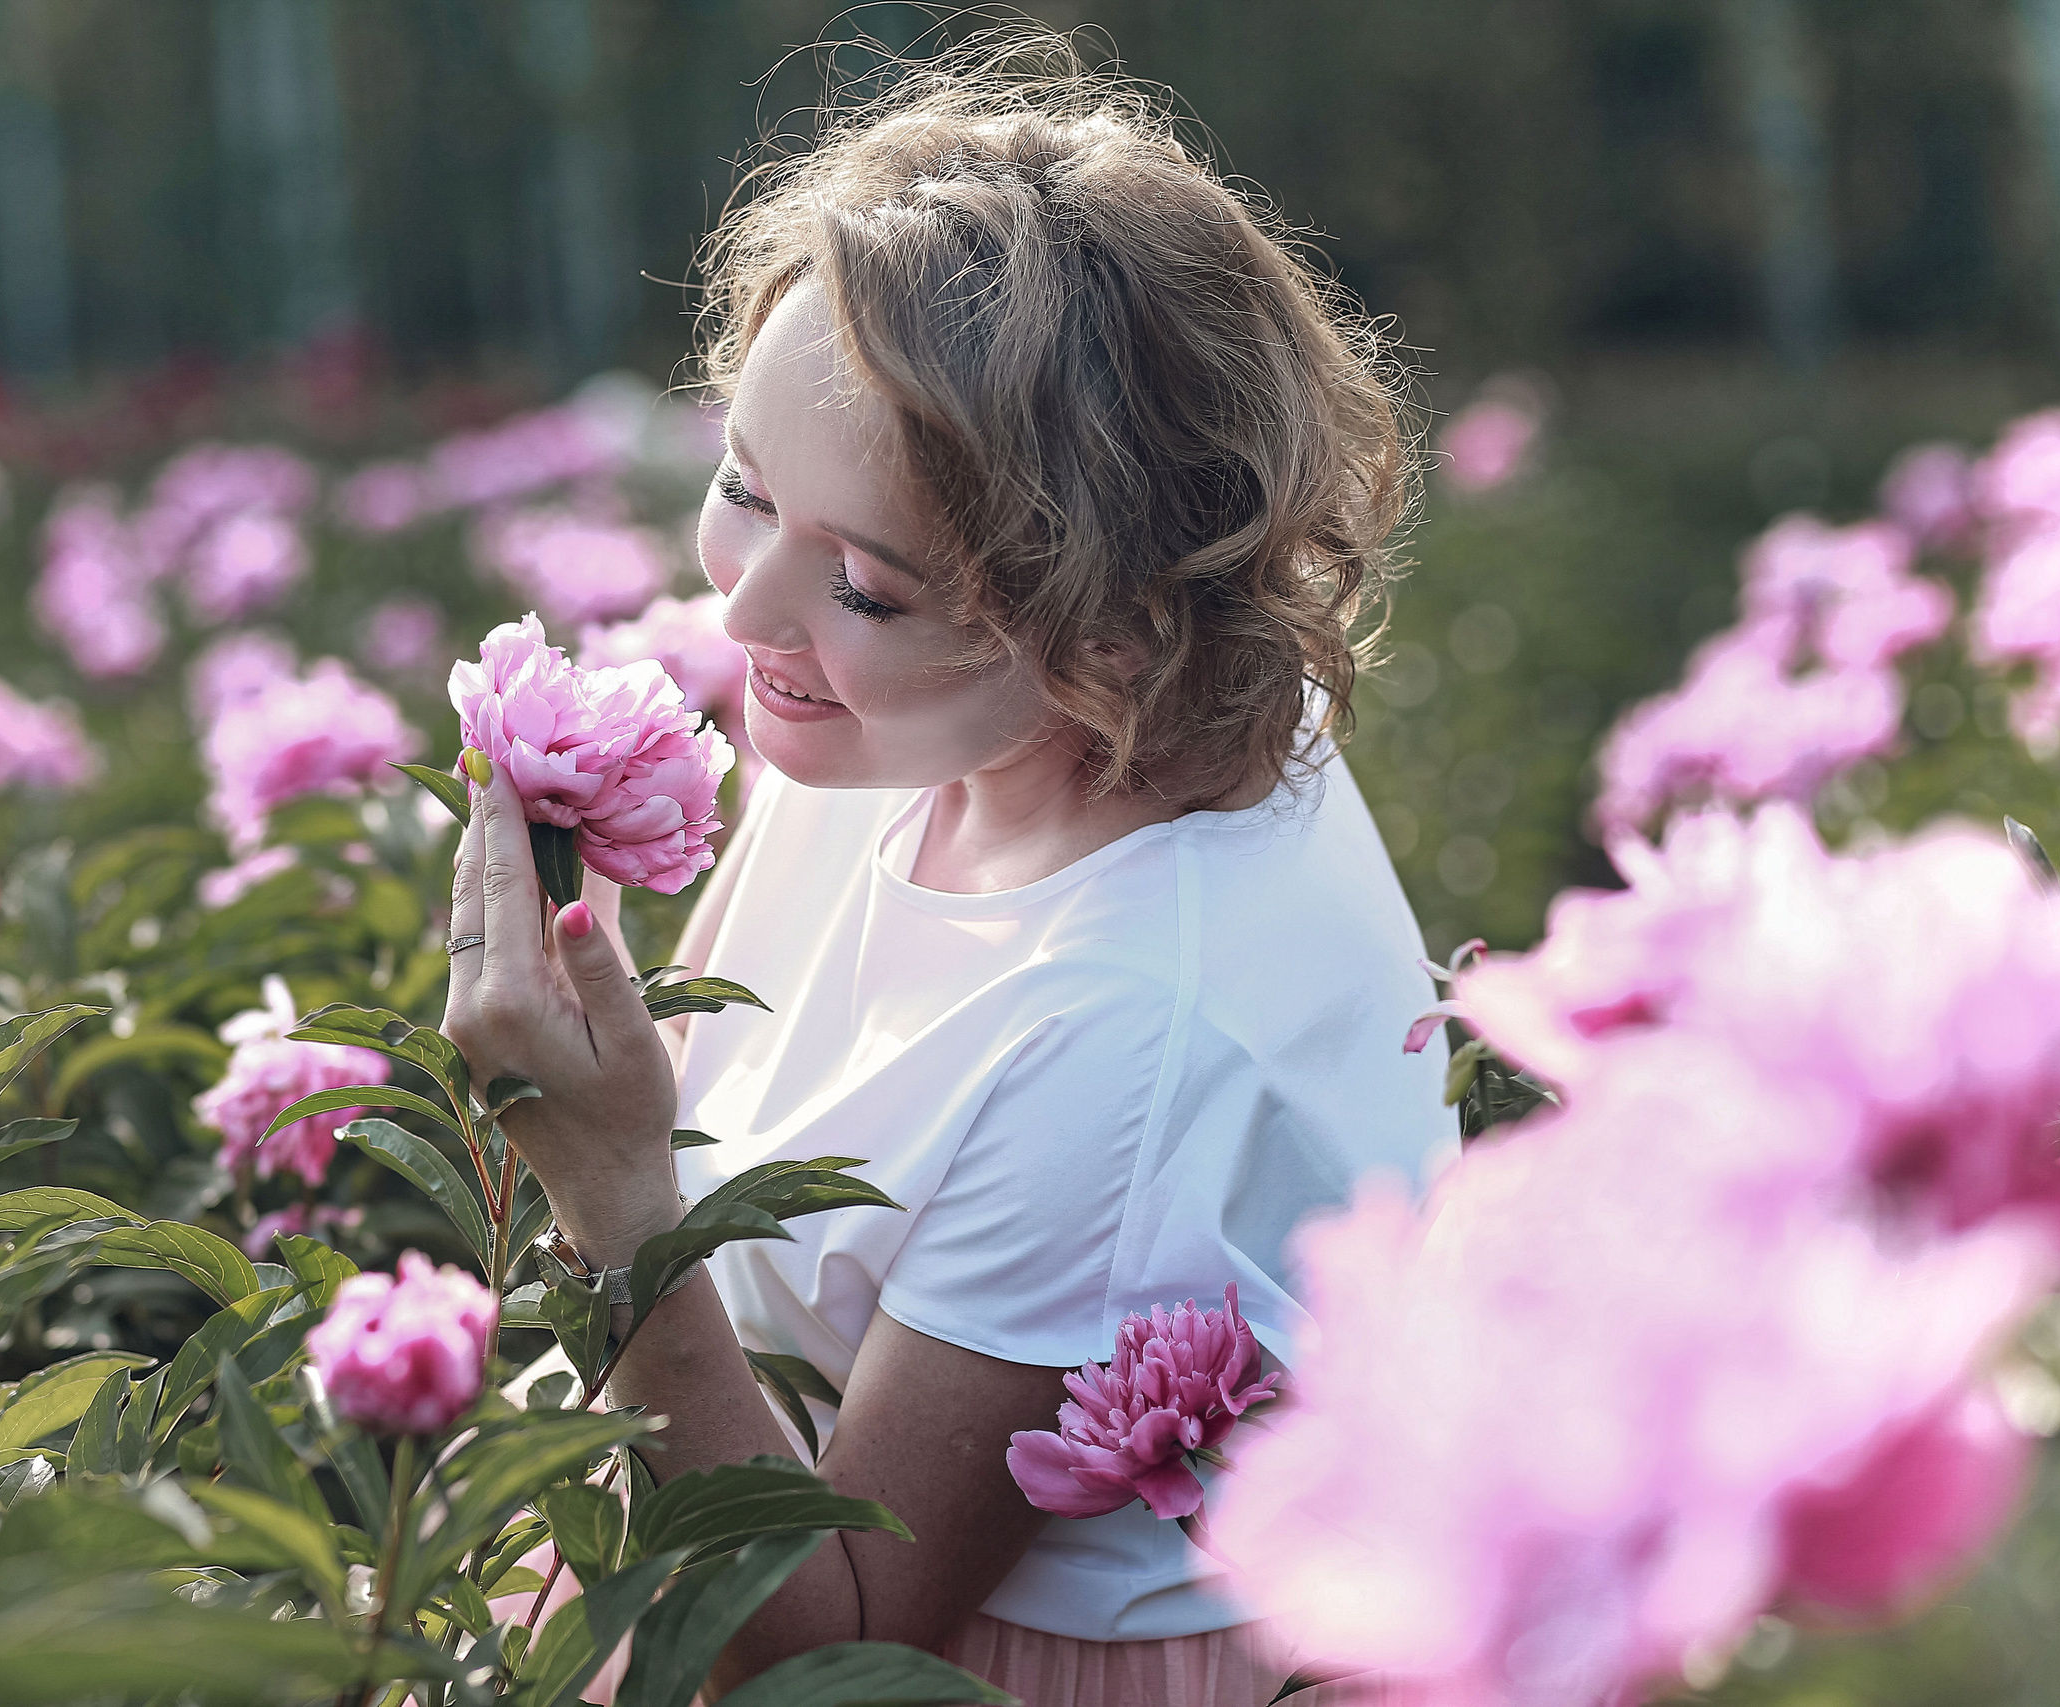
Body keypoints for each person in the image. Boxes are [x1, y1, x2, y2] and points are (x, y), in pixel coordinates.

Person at [440, 30, 1451, 1707]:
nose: (745, 611)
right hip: (696, 1502)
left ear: (1119, 621)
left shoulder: (1131, 1020)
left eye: (868, 585)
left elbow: (828, 1638)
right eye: (746, 491)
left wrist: (609, 1192)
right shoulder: (940, 724)